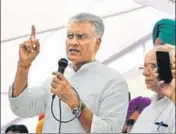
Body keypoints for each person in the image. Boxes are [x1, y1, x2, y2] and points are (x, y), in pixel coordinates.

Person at [8, 13, 129, 133]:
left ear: (97, 43)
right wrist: (23, 67)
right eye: (70, 36)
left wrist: (75, 103)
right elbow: (22, 107)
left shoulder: (113, 81)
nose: (73, 42)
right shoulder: (57, 77)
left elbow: (110, 130)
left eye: (81, 36)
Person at [130, 45, 175, 133]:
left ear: (172, 69)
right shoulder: (149, 108)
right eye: (145, 67)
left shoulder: (172, 107)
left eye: (152, 66)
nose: (144, 73)